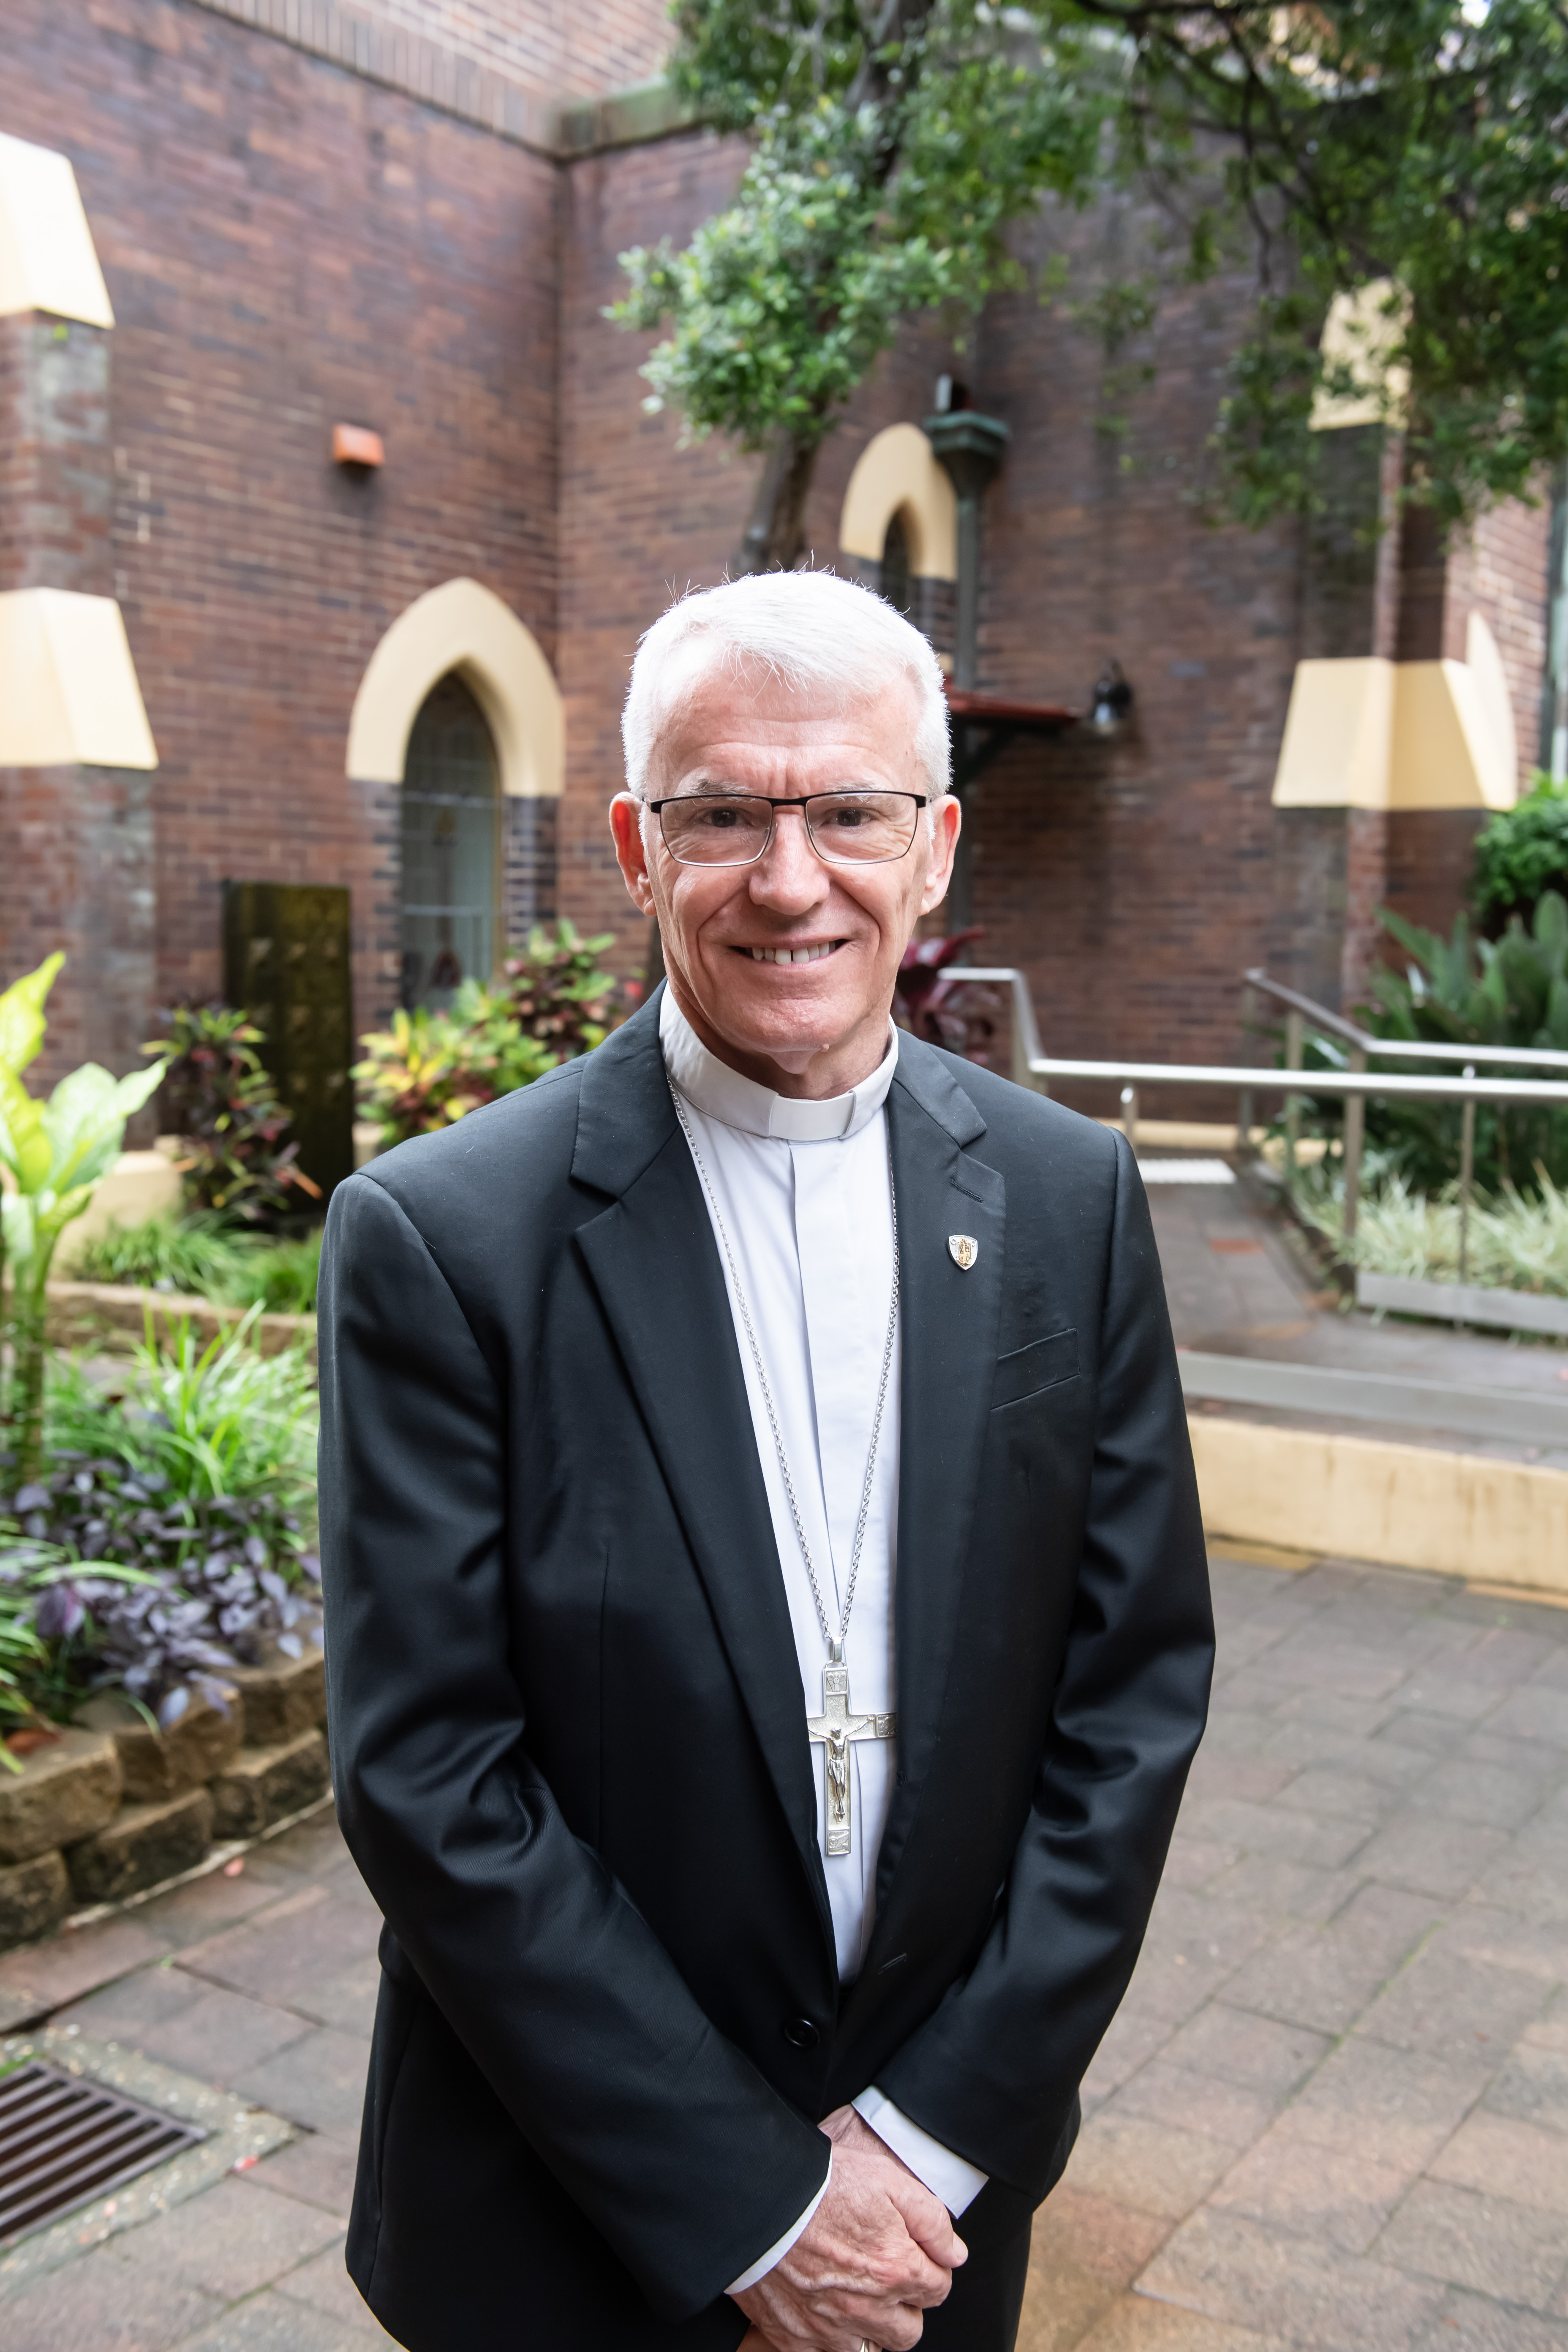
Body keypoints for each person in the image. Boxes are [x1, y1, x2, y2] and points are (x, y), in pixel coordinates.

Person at [319, 570, 1214, 2352]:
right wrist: (758, 2198)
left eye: (851, 814)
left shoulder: (1068, 1198)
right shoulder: (443, 1239)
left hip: (935, 2208)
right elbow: (429, 1772)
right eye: (723, 814)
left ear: (933, 847)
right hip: (566, 2217)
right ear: (637, 850)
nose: (791, 881)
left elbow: (1129, 1702)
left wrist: (928, 2137)